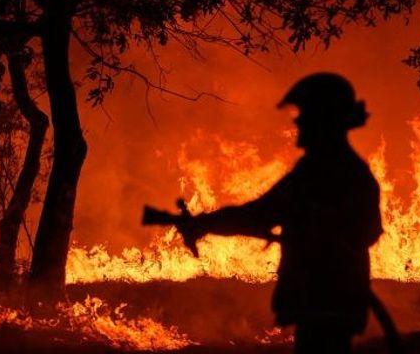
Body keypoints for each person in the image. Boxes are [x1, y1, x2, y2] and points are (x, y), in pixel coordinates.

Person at [147, 73, 384, 353]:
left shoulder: (323, 172)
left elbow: (260, 214)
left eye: (305, 113)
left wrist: (205, 224)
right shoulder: (338, 169)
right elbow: (264, 214)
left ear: (324, 119)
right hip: (332, 302)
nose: (298, 121)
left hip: (325, 302)